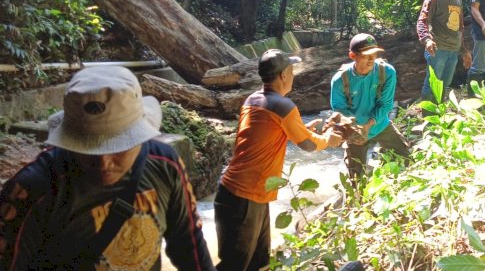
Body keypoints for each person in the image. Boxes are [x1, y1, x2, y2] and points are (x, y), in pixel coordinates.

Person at [0, 66, 215, 271]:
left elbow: (189, 244)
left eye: (119, 147)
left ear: (141, 137)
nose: (104, 163)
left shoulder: (165, 164)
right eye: (88, 148)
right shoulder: (33, 189)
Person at [214, 49, 343, 271]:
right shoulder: (283, 105)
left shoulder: (252, 99)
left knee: (260, 262)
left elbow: (266, 135)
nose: (293, 75)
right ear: (283, 75)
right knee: (235, 266)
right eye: (291, 70)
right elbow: (308, 144)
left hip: (241, 194)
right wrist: (328, 140)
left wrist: (303, 131)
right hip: (244, 197)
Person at [330, 33, 410, 178]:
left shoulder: (387, 72)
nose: (372, 59)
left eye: (374, 54)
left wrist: (369, 125)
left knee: (405, 159)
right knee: (356, 177)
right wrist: (354, 129)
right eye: (366, 55)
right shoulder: (340, 80)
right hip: (356, 131)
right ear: (353, 56)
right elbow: (339, 111)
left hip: (380, 124)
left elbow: (386, 105)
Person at [416, 0, 472, 102]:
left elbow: (459, 28)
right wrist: (427, 40)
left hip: (453, 50)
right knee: (432, 84)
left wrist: (464, 51)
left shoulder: (458, 1)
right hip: (438, 49)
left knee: (445, 84)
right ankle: (429, 119)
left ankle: (439, 115)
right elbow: (422, 21)